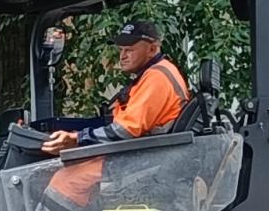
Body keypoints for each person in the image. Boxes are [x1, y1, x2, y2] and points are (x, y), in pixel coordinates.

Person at [40, 19, 187, 154]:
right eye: (121, 50)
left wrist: (77, 138)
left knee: (64, 180)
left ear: (152, 49)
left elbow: (125, 130)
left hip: (138, 157)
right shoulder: (155, 73)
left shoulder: (157, 77)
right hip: (136, 153)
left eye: (129, 50)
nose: (122, 56)